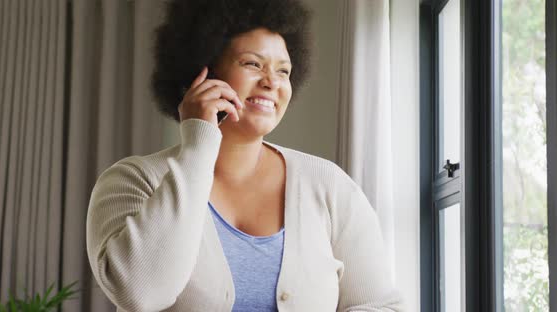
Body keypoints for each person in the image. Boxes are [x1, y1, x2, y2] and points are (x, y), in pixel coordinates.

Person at [86, 0, 404, 311]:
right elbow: (140, 294)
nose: (271, 83)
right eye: (252, 64)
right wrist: (198, 143)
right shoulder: (132, 181)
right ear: (203, 72)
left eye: (283, 71)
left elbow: (381, 305)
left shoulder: (329, 185)